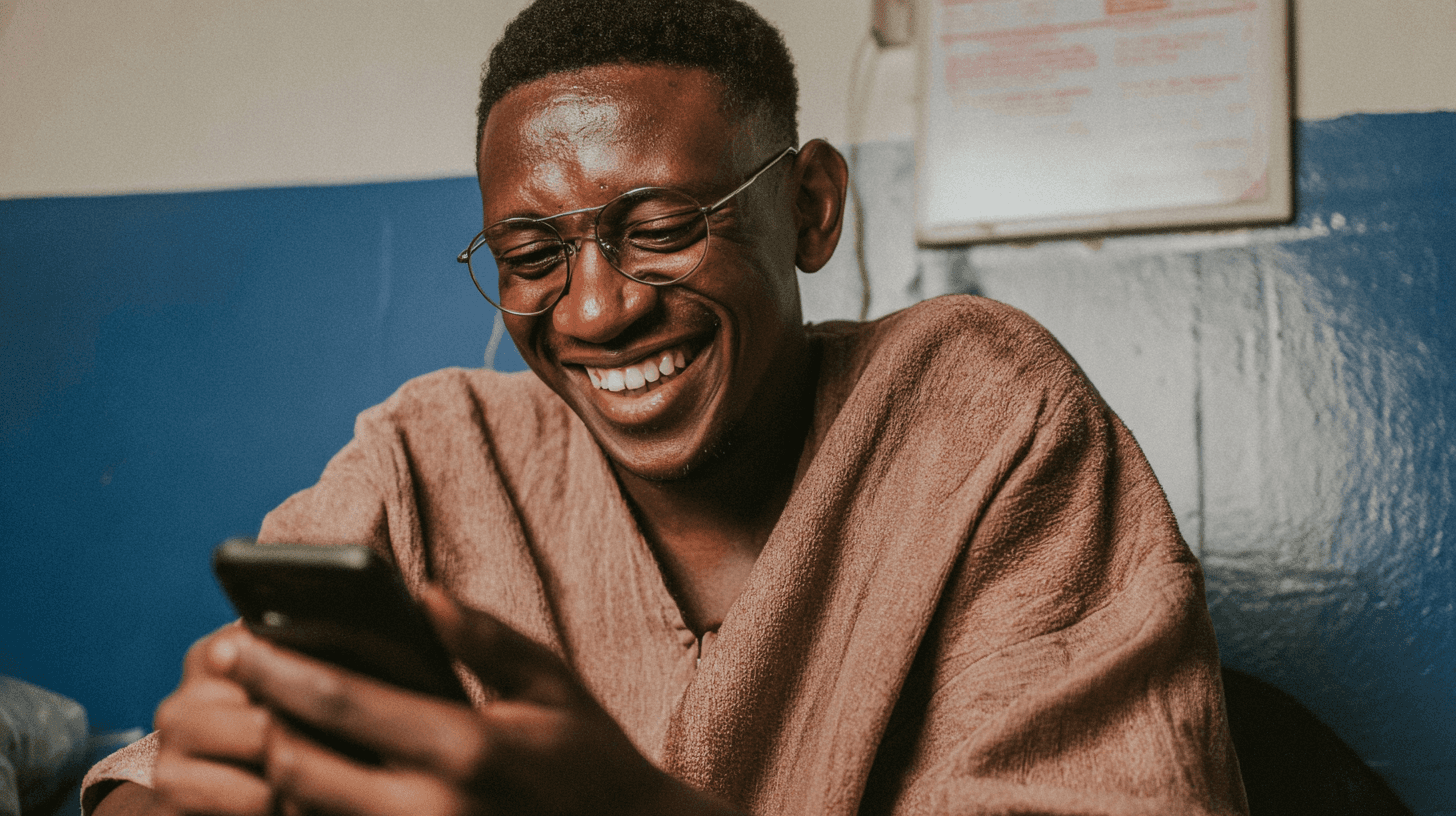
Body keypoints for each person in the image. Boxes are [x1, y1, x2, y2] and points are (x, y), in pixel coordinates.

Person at [84, 0, 1248, 814]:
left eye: (660, 228)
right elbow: (159, 770)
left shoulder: (979, 416)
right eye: (529, 252)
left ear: (810, 206)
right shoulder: (432, 456)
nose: (594, 311)